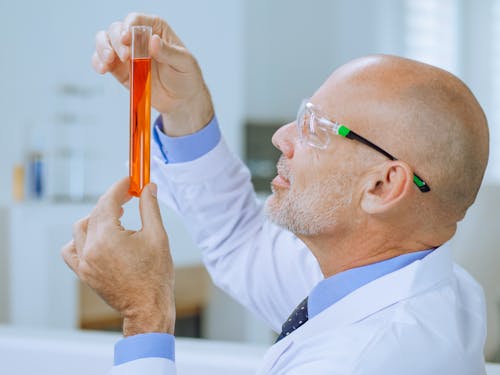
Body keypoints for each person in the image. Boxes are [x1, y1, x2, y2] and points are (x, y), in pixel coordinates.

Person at [62, 13, 490, 374]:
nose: (283, 137)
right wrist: (184, 106)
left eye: (314, 127)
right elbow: (238, 241)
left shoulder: (361, 361)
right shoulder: (418, 283)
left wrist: (144, 315)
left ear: (382, 185)